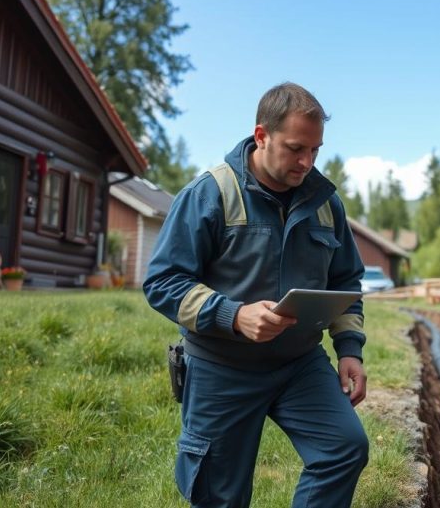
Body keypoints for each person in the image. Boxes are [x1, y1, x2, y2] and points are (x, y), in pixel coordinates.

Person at [143, 82, 368, 508]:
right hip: (221, 366)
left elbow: (346, 283)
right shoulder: (209, 193)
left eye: (316, 151)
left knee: (345, 447)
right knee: (218, 496)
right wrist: (233, 314)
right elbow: (162, 282)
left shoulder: (325, 202)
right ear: (261, 136)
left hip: (299, 364)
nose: (307, 162)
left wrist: (350, 350)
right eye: (296, 148)